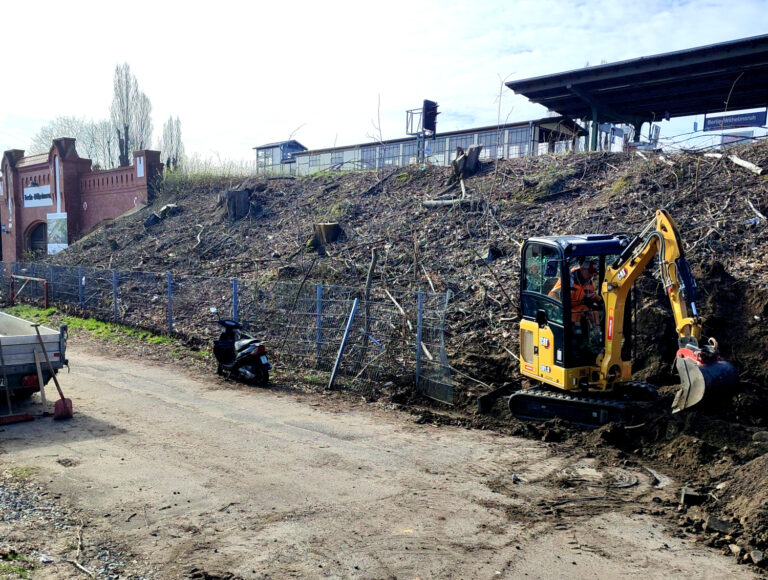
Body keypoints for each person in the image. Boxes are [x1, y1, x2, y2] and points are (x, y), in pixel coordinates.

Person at [548, 258, 603, 325]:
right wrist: (561, 307)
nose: (591, 275)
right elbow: (552, 297)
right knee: (575, 316)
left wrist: (597, 299)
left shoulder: (588, 282)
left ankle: (594, 331)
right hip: (564, 313)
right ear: (582, 269)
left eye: (593, 273)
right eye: (590, 272)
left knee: (594, 312)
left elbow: (590, 297)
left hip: (578, 309)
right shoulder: (567, 279)